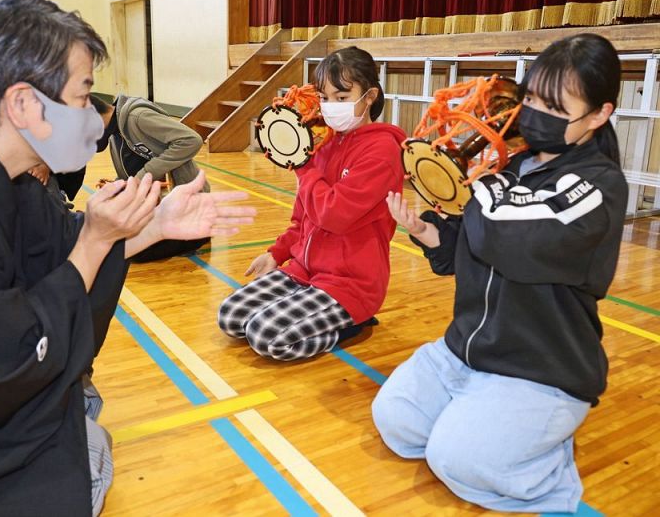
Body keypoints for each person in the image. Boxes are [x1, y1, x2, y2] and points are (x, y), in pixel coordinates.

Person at [0, 0, 254, 516]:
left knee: (81, 405)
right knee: (86, 460)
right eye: (82, 97)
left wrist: (151, 226)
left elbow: (55, 245)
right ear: (22, 103)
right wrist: (95, 242)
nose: (93, 120)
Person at [372, 34, 628, 513]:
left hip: (541, 368)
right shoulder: (508, 167)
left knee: (457, 460)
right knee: (397, 422)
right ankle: (487, 419)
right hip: (468, 350)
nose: (532, 113)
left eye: (553, 106)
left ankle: (550, 475)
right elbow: (469, 245)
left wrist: (475, 183)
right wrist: (428, 232)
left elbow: (512, 241)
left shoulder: (599, 185)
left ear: (598, 115)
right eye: (530, 98)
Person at [218, 46, 406, 360]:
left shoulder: (383, 151)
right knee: (231, 316)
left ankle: (351, 323)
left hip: (350, 284)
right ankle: (304, 311)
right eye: (326, 98)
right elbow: (303, 217)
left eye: (342, 98)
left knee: (265, 336)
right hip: (305, 270)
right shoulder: (325, 143)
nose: (331, 107)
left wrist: (303, 167)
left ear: (370, 96)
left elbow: (333, 215)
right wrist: (277, 253)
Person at [107, 94, 212, 261]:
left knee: (131, 252)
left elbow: (191, 140)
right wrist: (116, 187)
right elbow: (131, 172)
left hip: (187, 206)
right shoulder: (115, 133)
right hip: (163, 206)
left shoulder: (138, 117)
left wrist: (142, 177)